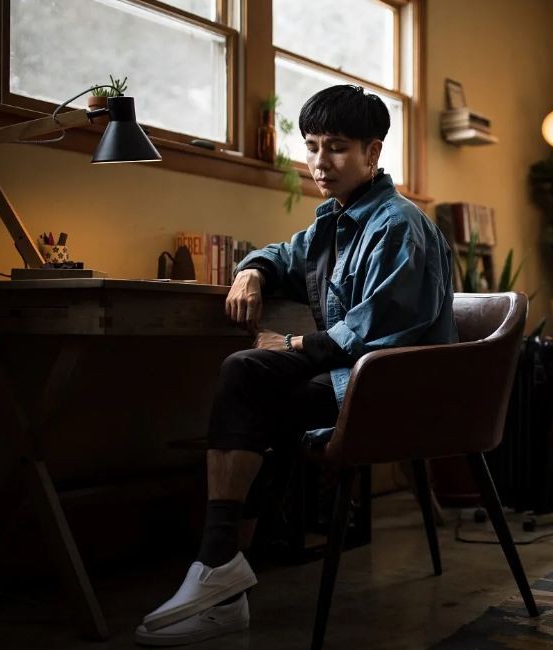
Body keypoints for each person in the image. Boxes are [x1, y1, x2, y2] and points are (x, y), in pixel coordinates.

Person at [135, 85, 457, 646]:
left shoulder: (399, 225)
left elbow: (372, 332)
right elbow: (282, 254)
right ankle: (224, 585)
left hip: (395, 394)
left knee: (247, 373)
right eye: (310, 146)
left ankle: (217, 571)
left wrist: (288, 346)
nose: (319, 163)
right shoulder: (333, 223)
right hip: (350, 382)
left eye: (335, 147)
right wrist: (253, 271)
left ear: (372, 153)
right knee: (258, 392)